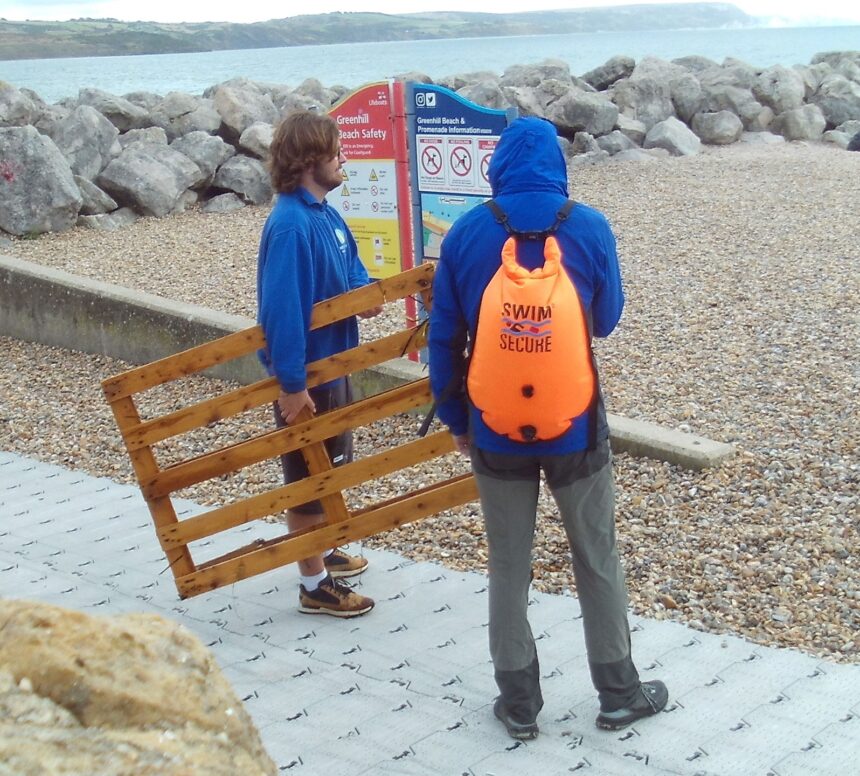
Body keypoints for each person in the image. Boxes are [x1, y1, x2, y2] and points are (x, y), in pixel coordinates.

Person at [428, 116, 667, 737]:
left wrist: (457, 418)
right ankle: (618, 692)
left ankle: (518, 705)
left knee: (508, 564)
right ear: (557, 164)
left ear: (497, 166)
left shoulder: (467, 234)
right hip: (576, 424)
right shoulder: (587, 226)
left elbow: (445, 337)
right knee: (597, 556)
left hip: (493, 424)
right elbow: (607, 319)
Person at [257, 110, 381, 618]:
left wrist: (365, 291)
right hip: (310, 374)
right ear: (310, 158)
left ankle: (325, 548)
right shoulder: (290, 225)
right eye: (335, 150)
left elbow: (352, 266)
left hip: (335, 364)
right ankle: (314, 586)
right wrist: (290, 384)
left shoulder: (324, 212)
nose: (343, 157)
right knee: (307, 481)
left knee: (330, 467)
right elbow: (281, 312)